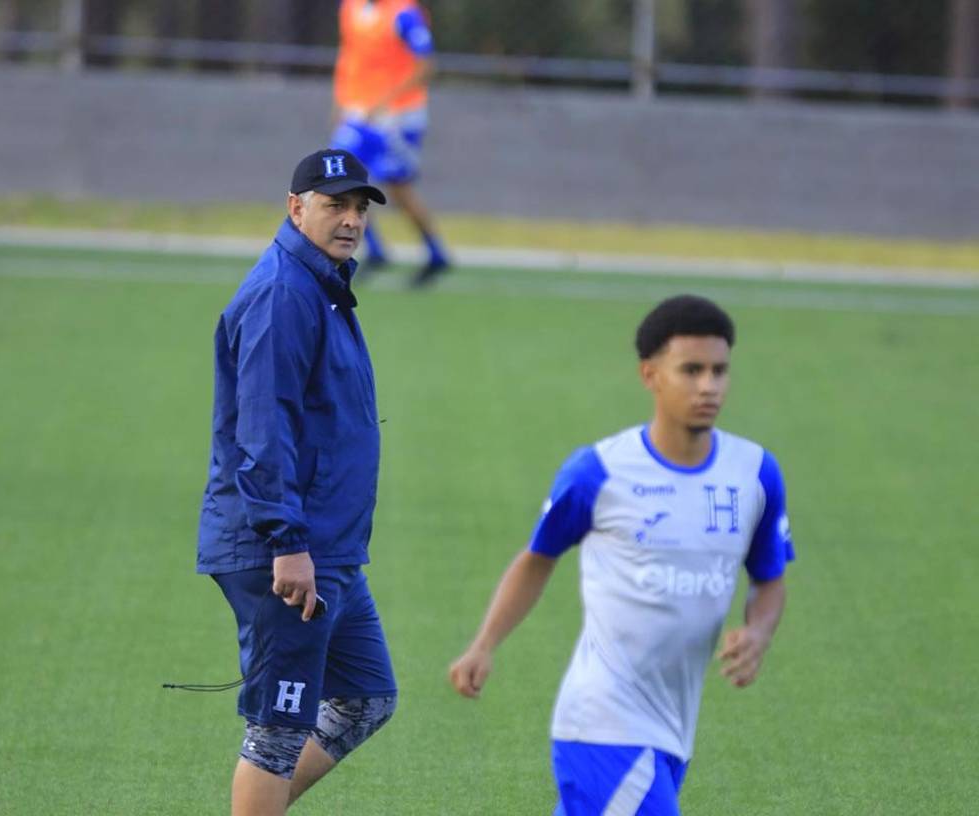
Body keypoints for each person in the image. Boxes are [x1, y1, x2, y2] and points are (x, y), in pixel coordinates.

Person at [449, 295, 794, 815]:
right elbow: (538, 557)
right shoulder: (600, 471)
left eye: (720, 371)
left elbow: (769, 577)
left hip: (673, 729)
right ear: (650, 375)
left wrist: (759, 633)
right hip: (603, 724)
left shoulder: (755, 473)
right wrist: (484, 644)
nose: (709, 386)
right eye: (692, 370)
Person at [197, 148, 397, 816]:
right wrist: (286, 542)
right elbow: (263, 429)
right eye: (334, 204)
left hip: (327, 547)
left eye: (359, 207)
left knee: (366, 696)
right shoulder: (285, 294)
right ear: (295, 207)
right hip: (284, 548)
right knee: (278, 730)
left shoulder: (322, 286)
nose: (350, 220)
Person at [331, 0, 451, 287]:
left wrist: (387, 101)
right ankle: (374, 249)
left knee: (398, 188)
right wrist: (340, 102)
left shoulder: (404, 13)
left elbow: (426, 64)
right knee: (339, 174)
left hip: (399, 116)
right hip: (359, 112)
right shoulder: (350, 7)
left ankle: (435, 252)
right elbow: (349, 56)